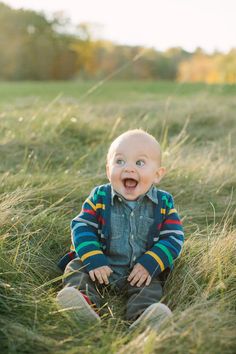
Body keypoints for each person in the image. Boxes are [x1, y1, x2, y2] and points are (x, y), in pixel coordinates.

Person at [57, 129, 184, 329]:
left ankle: (143, 318)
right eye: (120, 162)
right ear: (108, 171)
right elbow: (82, 226)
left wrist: (150, 263)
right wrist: (94, 258)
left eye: (140, 163)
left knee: (150, 289)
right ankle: (82, 304)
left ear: (157, 175)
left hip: (139, 273)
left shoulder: (163, 203)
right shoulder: (99, 197)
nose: (129, 169)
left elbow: (173, 238)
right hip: (100, 268)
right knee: (76, 267)